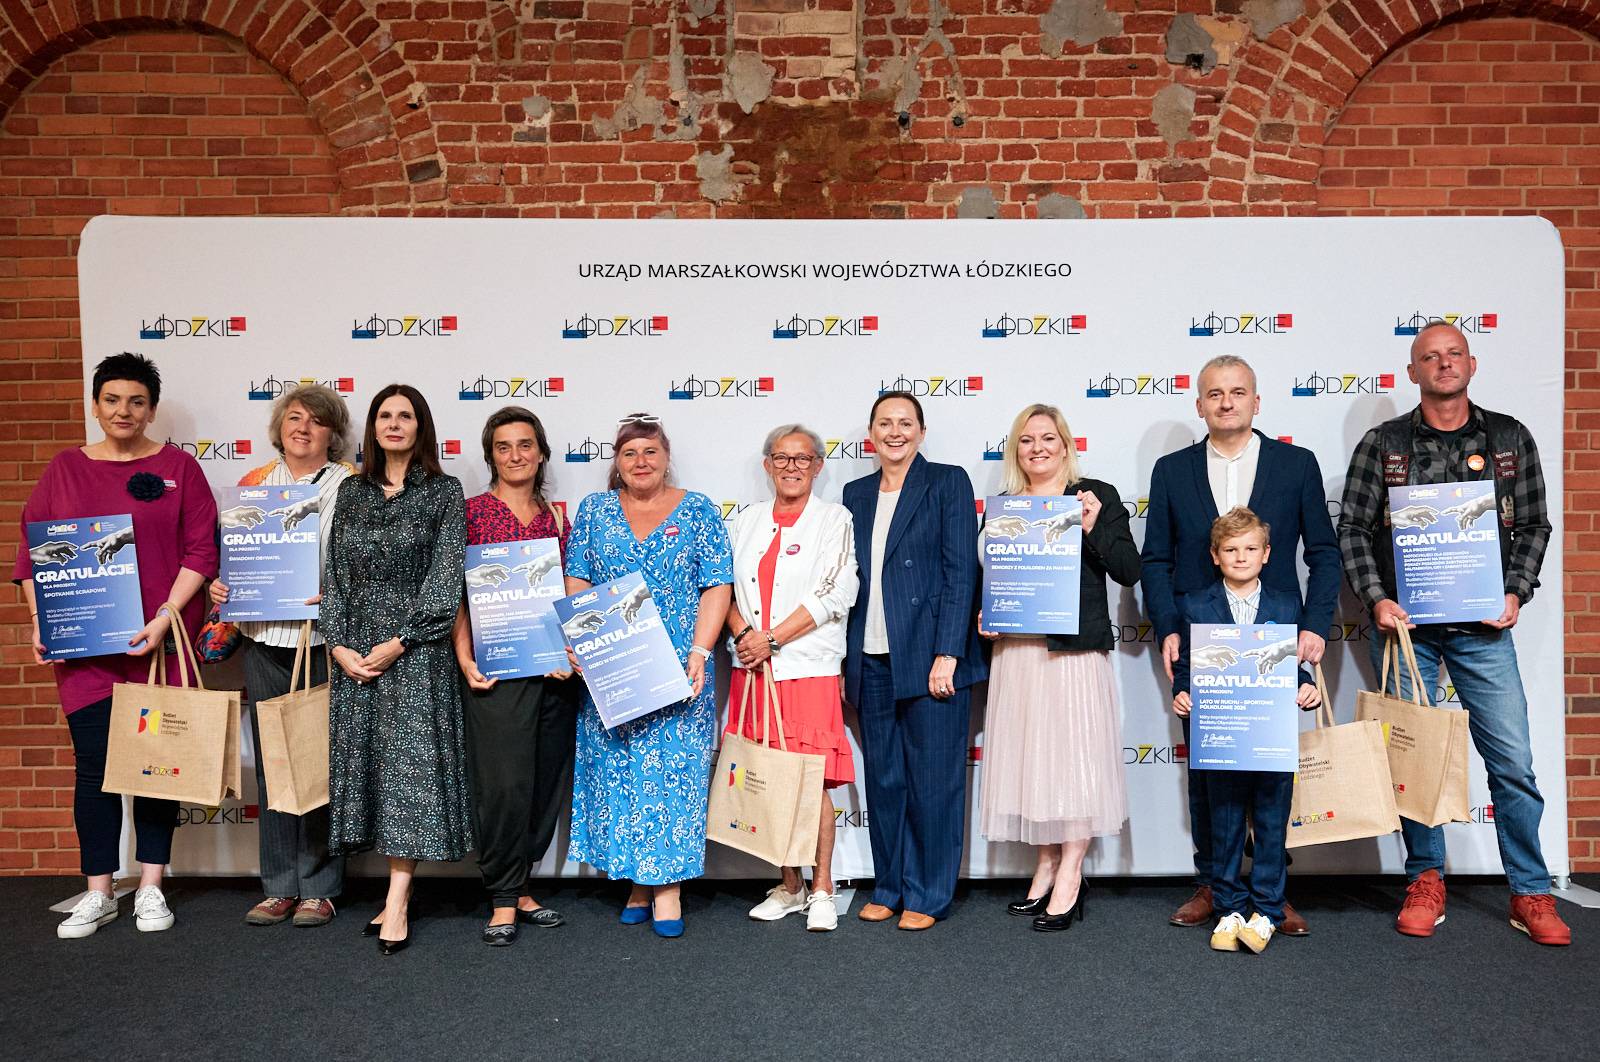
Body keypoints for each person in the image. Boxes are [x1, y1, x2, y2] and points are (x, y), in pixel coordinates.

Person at [1337, 320, 1569, 946]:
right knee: (1414, 761)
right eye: (1430, 356)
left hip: (1482, 629)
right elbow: (1353, 528)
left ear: (1471, 363)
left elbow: (1536, 525)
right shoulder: (1383, 443)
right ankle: (1425, 878)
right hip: (1406, 631)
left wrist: (1515, 590)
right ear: (1412, 372)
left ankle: (1530, 889)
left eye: (1454, 353)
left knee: (1513, 763)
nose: (1444, 363)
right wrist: (1377, 599)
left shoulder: (1509, 437)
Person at [15, 353, 219, 939]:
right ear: (95, 405)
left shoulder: (179, 467)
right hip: (86, 652)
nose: (123, 411)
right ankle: (99, 891)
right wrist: (41, 621)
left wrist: (165, 617)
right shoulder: (63, 470)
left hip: (158, 646)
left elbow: (201, 551)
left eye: (136, 401)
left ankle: (151, 885)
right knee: (93, 767)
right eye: (111, 400)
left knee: (158, 767)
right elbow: (33, 554)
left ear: (151, 409)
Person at [1141, 354, 1338, 934]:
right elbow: (1155, 559)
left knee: (1273, 773)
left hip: (1277, 635)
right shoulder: (1171, 470)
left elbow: (1324, 554)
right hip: (1201, 639)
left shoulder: (1296, 464)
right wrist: (1168, 627)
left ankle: (1273, 894)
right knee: (1211, 773)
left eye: (1237, 392)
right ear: (1199, 404)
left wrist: (1314, 625)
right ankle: (1214, 884)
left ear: (1257, 401)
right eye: (1214, 393)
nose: (1226, 402)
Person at [564, 413, 733, 938]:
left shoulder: (699, 510)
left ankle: (667, 889)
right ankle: (637, 882)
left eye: (650, 452)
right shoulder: (594, 510)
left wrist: (702, 651)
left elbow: (717, 584)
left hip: (679, 668)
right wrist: (580, 642)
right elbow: (577, 579)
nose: (641, 462)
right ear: (617, 462)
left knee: (673, 776)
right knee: (618, 774)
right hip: (613, 667)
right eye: (630, 453)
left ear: (666, 457)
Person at [977, 404, 1140, 932]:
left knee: (1073, 762)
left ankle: (1071, 872)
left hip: (1072, 653)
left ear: (1066, 445)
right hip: (1018, 654)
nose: (1038, 448)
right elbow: (993, 580)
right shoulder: (1003, 509)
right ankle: (1046, 864)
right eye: (1027, 440)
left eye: (1048, 438)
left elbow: (1129, 570)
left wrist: (1090, 527)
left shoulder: (1095, 496)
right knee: (1035, 762)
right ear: (1015, 450)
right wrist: (987, 614)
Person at [321, 383, 469, 956]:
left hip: (416, 652)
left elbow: (445, 579)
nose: (394, 424)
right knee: (372, 772)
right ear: (373, 427)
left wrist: (400, 641)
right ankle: (391, 895)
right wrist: (338, 645)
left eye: (405, 416)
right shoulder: (352, 491)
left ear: (420, 427)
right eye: (385, 415)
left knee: (411, 776)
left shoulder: (444, 492)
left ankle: (398, 898)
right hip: (356, 655)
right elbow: (335, 574)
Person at [209, 385, 353, 929]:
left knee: (318, 761)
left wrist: (335, 593)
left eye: (316, 421)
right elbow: (230, 559)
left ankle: (319, 887)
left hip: (324, 642)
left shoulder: (350, 485)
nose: (303, 428)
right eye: (294, 418)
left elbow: (363, 561)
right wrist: (222, 587)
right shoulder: (252, 484)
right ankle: (277, 886)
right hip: (264, 638)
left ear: (332, 434)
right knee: (274, 764)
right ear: (279, 428)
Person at [842, 391, 986, 931]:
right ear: (871, 435)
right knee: (884, 782)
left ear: (921, 433)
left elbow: (960, 574)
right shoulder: (855, 494)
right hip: (871, 657)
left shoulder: (947, 482)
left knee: (933, 783)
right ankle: (889, 886)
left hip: (930, 658)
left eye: (906, 423)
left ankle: (927, 893)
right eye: (885, 423)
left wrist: (948, 653)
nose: (895, 432)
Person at [452, 406, 580, 947]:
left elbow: (573, 592)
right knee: (503, 786)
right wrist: (464, 656)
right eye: (503, 447)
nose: (516, 455)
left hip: (555, 674)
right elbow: (456, 595)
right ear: (491, 456)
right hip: (497, 671)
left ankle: (523, 887)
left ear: (541, 453)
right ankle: (502, 895)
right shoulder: (470, 514)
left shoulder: (558, 519)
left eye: (525, 445)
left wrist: (571, 648)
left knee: (544, 783)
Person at [724, 424, 859, 933]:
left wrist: (772, 639)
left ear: (818, 466)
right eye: (781, 458)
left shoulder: (834, 519)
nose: (792, 467)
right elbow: (721, 588)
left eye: (803, 459)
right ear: (767, 465)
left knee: (810, 782)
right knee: (766, 778)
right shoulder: (746, 521)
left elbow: (837, 591)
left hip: (806, 668)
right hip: (753, 669)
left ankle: (822, 887)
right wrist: (745, 636)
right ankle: (790, 885)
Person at [1170, 507, 1320, 954]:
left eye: (1250, 548)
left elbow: (1291, 666)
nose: (1241, 557)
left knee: (1272, 821)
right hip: (1223, 733)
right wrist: (1181, 693)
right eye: (1231, 549)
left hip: (1270, 734)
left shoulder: (1286, 604)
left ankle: (1269, 908)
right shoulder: (1196, 604)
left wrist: (1306, 686)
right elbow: (1187, 668)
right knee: (1225, 821)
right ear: (1215, 555)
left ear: (1267, 553)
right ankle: (1230, 907)